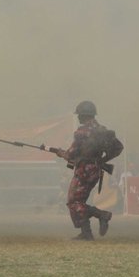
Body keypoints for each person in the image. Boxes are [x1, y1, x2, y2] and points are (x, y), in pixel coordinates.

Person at [55, 101, 123, 240]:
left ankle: (101, 215)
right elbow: (118, 148)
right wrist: (103, 160)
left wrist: (60, 153)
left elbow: (71, 154)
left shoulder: (81, 132)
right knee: (80, 201)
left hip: (83, 171)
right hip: (96, 170)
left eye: (79, 115)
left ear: (83, 115)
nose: (78, 117)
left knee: (73, 202)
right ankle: (86, 233)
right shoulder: (103, 130)